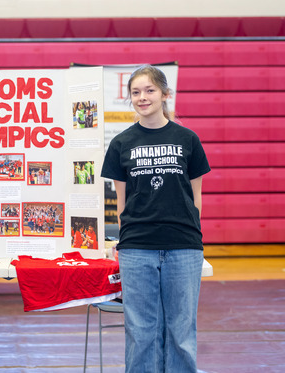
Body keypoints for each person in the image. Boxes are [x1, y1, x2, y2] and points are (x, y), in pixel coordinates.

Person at [100, 64, 210, 373]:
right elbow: (122, 203)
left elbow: (196, 197)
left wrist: (194, 238)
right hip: (137, 248)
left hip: (183, 246)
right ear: (130, 98)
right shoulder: (121, 144)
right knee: (141, 330)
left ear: (165, 94)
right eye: (136, 92)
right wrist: (123, 243)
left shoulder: (188, 139)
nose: (142, 97)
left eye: (149, 90)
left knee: (181, 330)